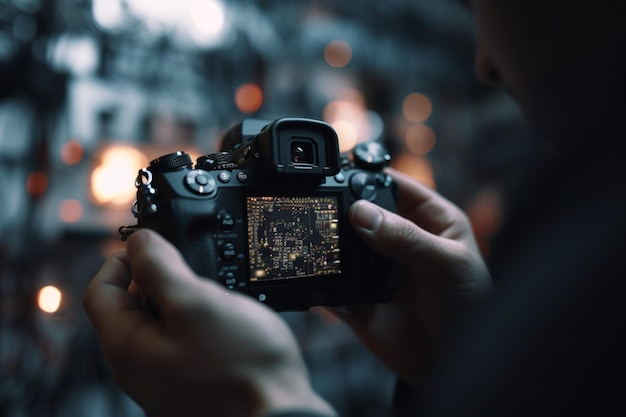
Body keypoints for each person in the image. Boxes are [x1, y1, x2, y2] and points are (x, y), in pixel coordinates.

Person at [83, 0, 626, 416]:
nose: (483, 63)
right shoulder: (584, 214)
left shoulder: (592, 247)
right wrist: (451, 366)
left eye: (477, 4)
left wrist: (267, 404)